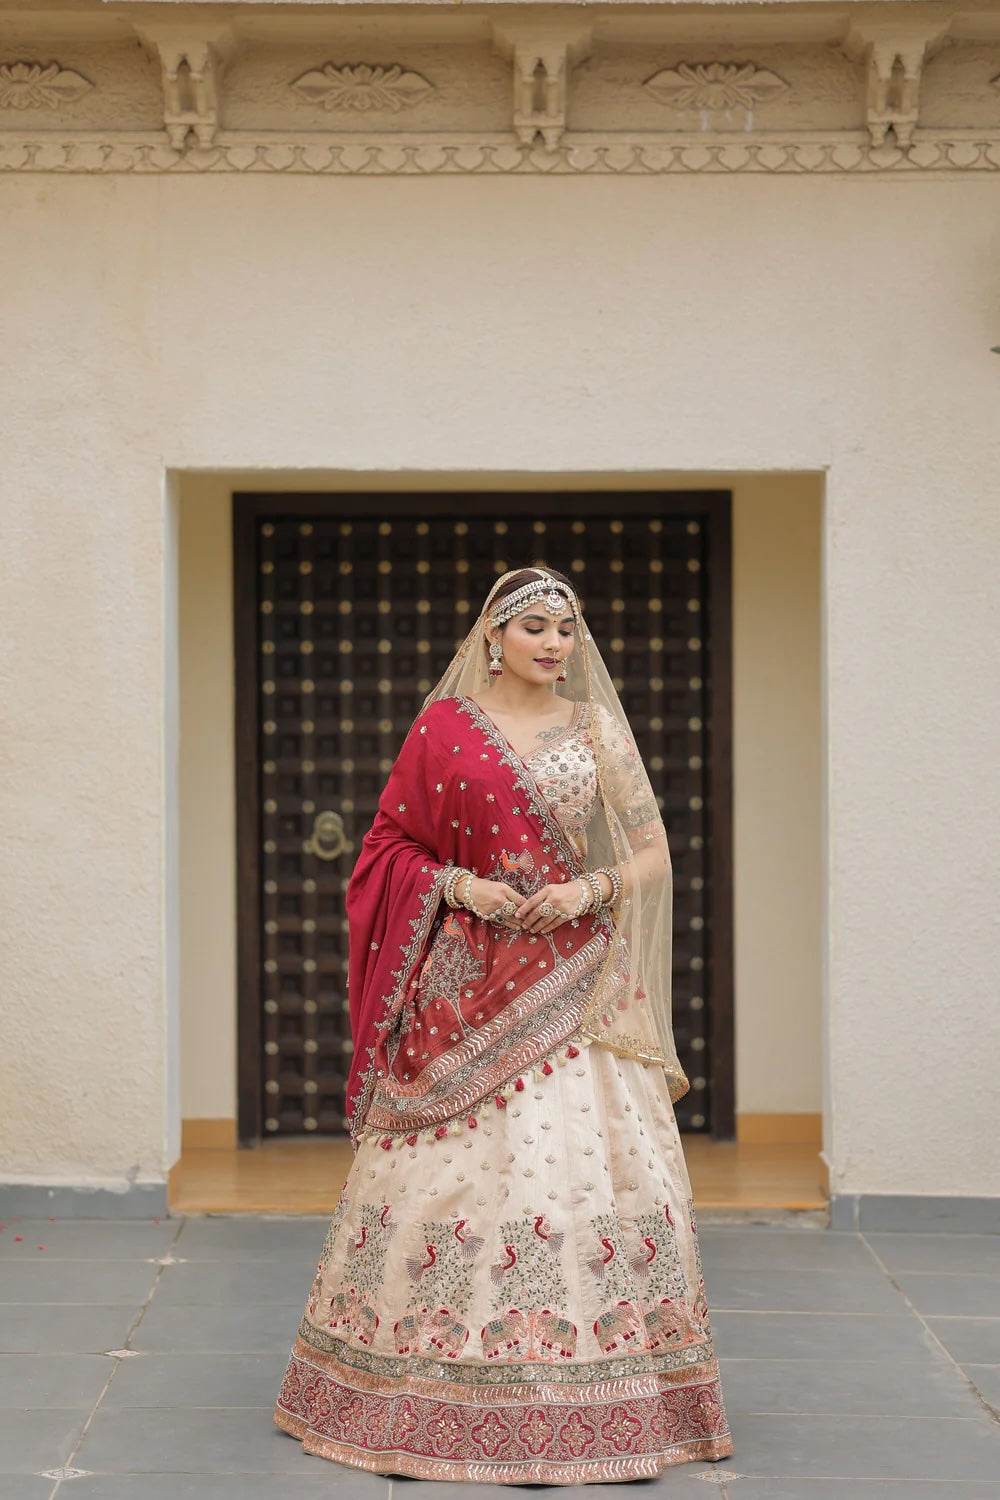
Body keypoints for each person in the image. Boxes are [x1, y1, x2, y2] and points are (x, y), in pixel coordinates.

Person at [274, 565, 733, 1483]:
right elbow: (387, 847)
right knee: (450, 1181)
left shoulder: (596, 729)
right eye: (536, 629)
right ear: (494, 636)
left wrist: (585, 889)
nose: (556, 644)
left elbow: (651, 852)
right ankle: (415, 1382)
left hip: (577, 981)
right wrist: (462, 885)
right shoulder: (443, 729)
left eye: (567, 629)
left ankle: (606, 1390)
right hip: (464, 983)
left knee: (584, 1171)